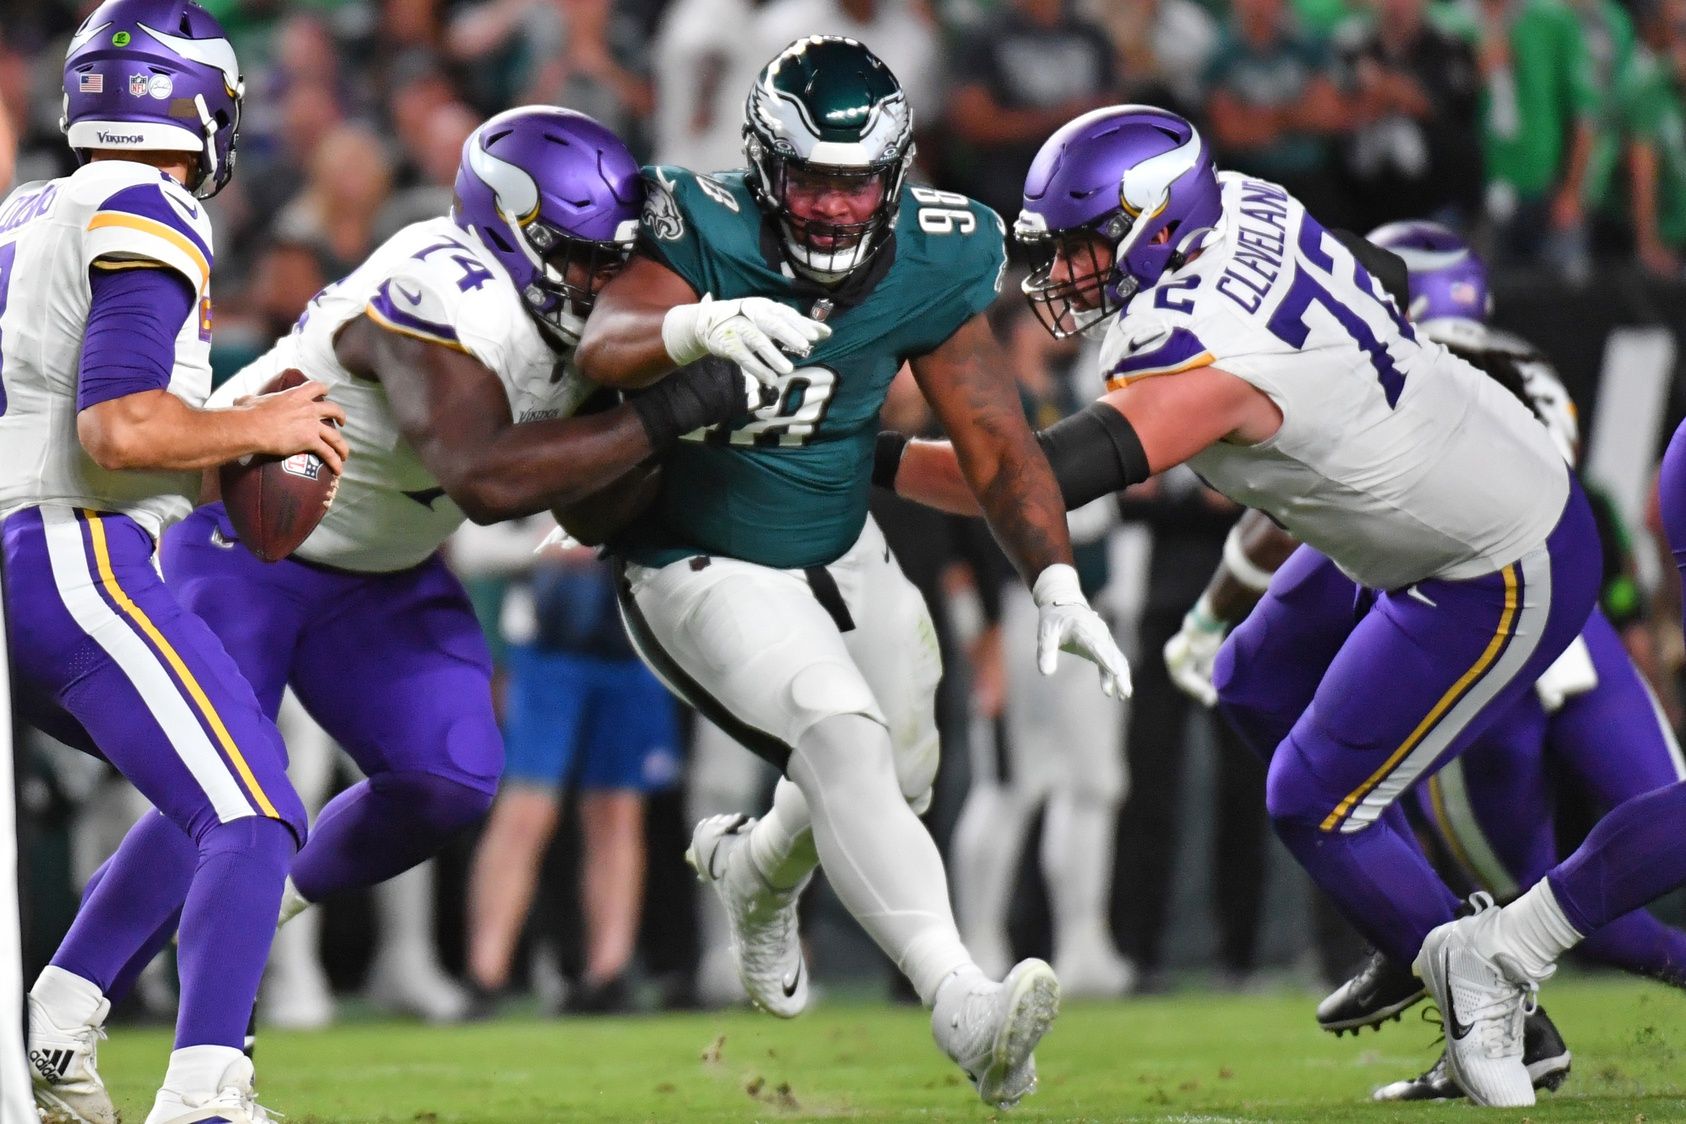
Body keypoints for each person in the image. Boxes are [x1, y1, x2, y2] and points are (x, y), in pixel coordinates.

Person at [29, 103, 761, 1115]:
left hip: (386, 568)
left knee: (449, 775)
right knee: (235, 792)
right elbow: (490, 477)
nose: (597, 280)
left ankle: (255, 906)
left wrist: (673, 400)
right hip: (255, 547)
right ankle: (112, 1037)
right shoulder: (437, 284)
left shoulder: (579, 305)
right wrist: (672, 406)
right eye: (577, 256)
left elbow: (590, 490)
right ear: (508, 228)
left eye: (610, 259)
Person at [879, 104, 1602, 1109]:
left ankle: (1495, 1001)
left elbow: (1027, 478)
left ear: (1157, 224)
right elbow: (1385, 278)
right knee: (1252, 676)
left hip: (1493, 555)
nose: (1066, 275)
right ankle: (1423, 930)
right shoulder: (1250, 202)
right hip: (1441, 485)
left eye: (1088, 247)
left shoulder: (1203, 351)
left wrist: (854, 456)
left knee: (1308, 798)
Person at [576, 36, 1130, 1108]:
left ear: (896, 174)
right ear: (764, 166)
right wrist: (695, 320)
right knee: (839, 733)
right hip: (699, 552)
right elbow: (605, 338)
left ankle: (756, 866)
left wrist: (1054, 578)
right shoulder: (699, 222)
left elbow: (994, 439)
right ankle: (963, 1002)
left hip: (841, 541)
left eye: (857, 180)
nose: (833, 207)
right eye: (813, 180)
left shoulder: (935, 247)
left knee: (902, 770)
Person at [1162, 220, 1686, 1101]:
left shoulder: (1378, 366)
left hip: (1467, 611)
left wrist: (1212, 614)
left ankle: (1426, 939)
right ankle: (1436, 944)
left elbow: (1294, 517)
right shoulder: (1521, 368)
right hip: (1551, 613)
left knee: (1533, 900)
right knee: (1611, 869)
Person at [5, 2, 344, 1120]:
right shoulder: (148, 203)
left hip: (36, 552)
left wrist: (225, 445)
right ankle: (205, 1092)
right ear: (196, 105)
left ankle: (56, 1021)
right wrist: (260, 430)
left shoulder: (27, 209)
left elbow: (87, 419)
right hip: (72, 558)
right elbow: (118, 430)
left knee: (210, 788)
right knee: (256, 810)